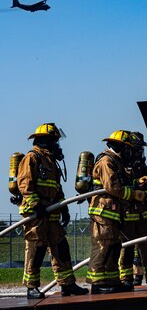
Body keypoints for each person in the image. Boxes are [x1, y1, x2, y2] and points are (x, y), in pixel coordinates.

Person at [17, 123, 89, 299]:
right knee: (36, 249)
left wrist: (63, 208)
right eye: (54, 141)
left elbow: (57, 188)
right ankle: (31, 287)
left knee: (61, 248)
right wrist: (36, 205)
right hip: (36, 215)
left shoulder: (50, 161)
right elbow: (25, 185)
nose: (57, 145)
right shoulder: (31, 158)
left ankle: (67, 284)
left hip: (51, 214)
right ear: (44, 141)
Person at [86, 130, 147, 294]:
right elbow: (113, 187)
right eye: (127, 148)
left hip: (113, 213)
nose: (130, 152)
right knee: (102, 247)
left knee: (114, 247)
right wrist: (134, 194)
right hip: (103, 213)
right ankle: (98, 284)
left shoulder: (117, 162)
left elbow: (123, 182)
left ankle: (112, 280)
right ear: (120, 147)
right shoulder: (107, 161)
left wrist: (138, 183)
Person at [119, 131, 147, 288]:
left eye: (141, 150)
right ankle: (126, 280)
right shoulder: (120, 166)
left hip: (144, 215)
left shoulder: (142, 167)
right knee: (127, 249)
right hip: (126, 215)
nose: (140, 153)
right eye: (137, 150)